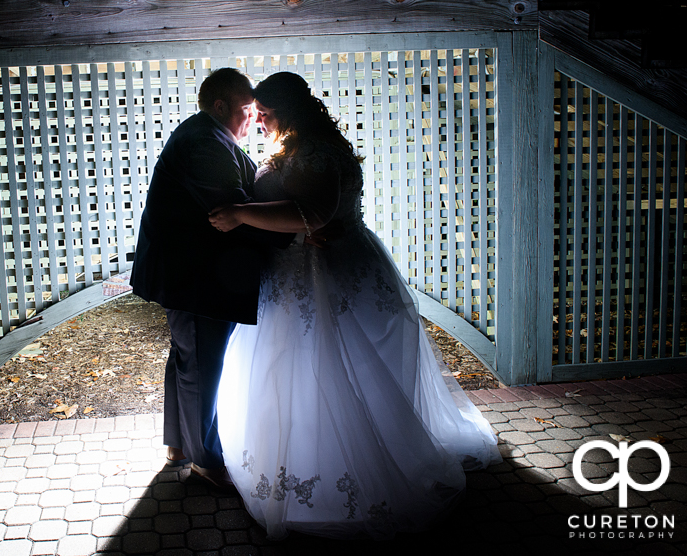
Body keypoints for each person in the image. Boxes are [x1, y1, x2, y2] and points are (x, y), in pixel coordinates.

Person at [208, 71, 501, 540]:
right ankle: (303, 460)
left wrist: (242, 214)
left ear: (290, 110)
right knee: (294, 374)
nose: (259, 121)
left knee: (331, 371)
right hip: (298, 274)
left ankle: (354, 470)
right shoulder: (299, 146)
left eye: (265, 113)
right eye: (256, 114)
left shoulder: (318, 152)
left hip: (324, 275)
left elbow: (314, 215)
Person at [130, 68, 293, 487]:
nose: (252, 119)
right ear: (220, 106)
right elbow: (231, 209)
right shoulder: (205, 143)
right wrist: (296, 230)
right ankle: (205, 459)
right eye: (245, 109)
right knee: (201, 364)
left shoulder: (210, 136)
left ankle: (179, 446)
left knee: (188, 359)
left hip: (191, 272)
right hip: (194, 275)